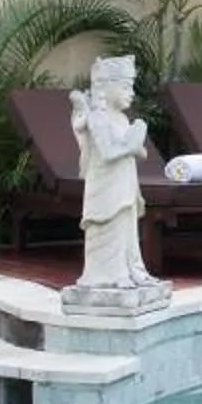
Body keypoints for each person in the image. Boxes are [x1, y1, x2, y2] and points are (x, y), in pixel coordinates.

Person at [70, 54, 159, 293]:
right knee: (108, 227)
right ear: (107, 88)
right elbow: (109, 152)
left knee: (126, 229)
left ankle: (130, 269)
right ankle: (109, 274)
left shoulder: (120, 118)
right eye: (126, 86)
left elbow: (138, 151)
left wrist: (137, 137)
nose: (131, 92)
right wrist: (136, 133)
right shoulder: (97, 117)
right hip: (104, 186)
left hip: (124, 183)